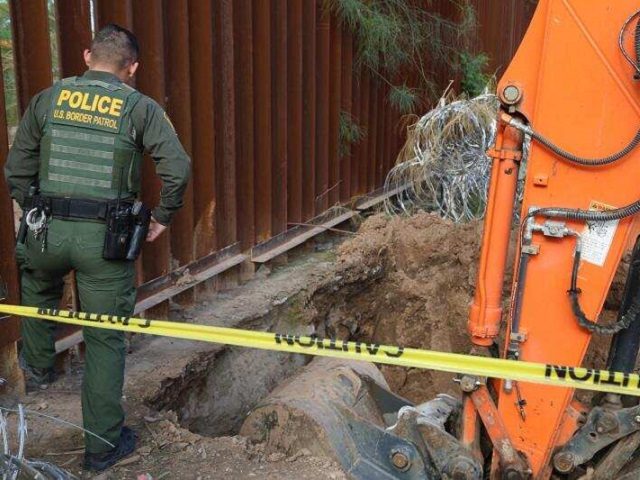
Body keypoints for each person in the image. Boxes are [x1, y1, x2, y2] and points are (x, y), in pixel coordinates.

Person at [4, 24, 191, 471]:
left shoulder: (48, 99)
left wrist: (36, 208)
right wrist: (162, 217)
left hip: (45, 232)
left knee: (37, 287)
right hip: (104, 244)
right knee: (104, 338)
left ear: (87, 56)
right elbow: (178, 168)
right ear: (132, 68)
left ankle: (38, 368)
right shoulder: (138, 107)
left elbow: (17, 168)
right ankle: (101, 446)